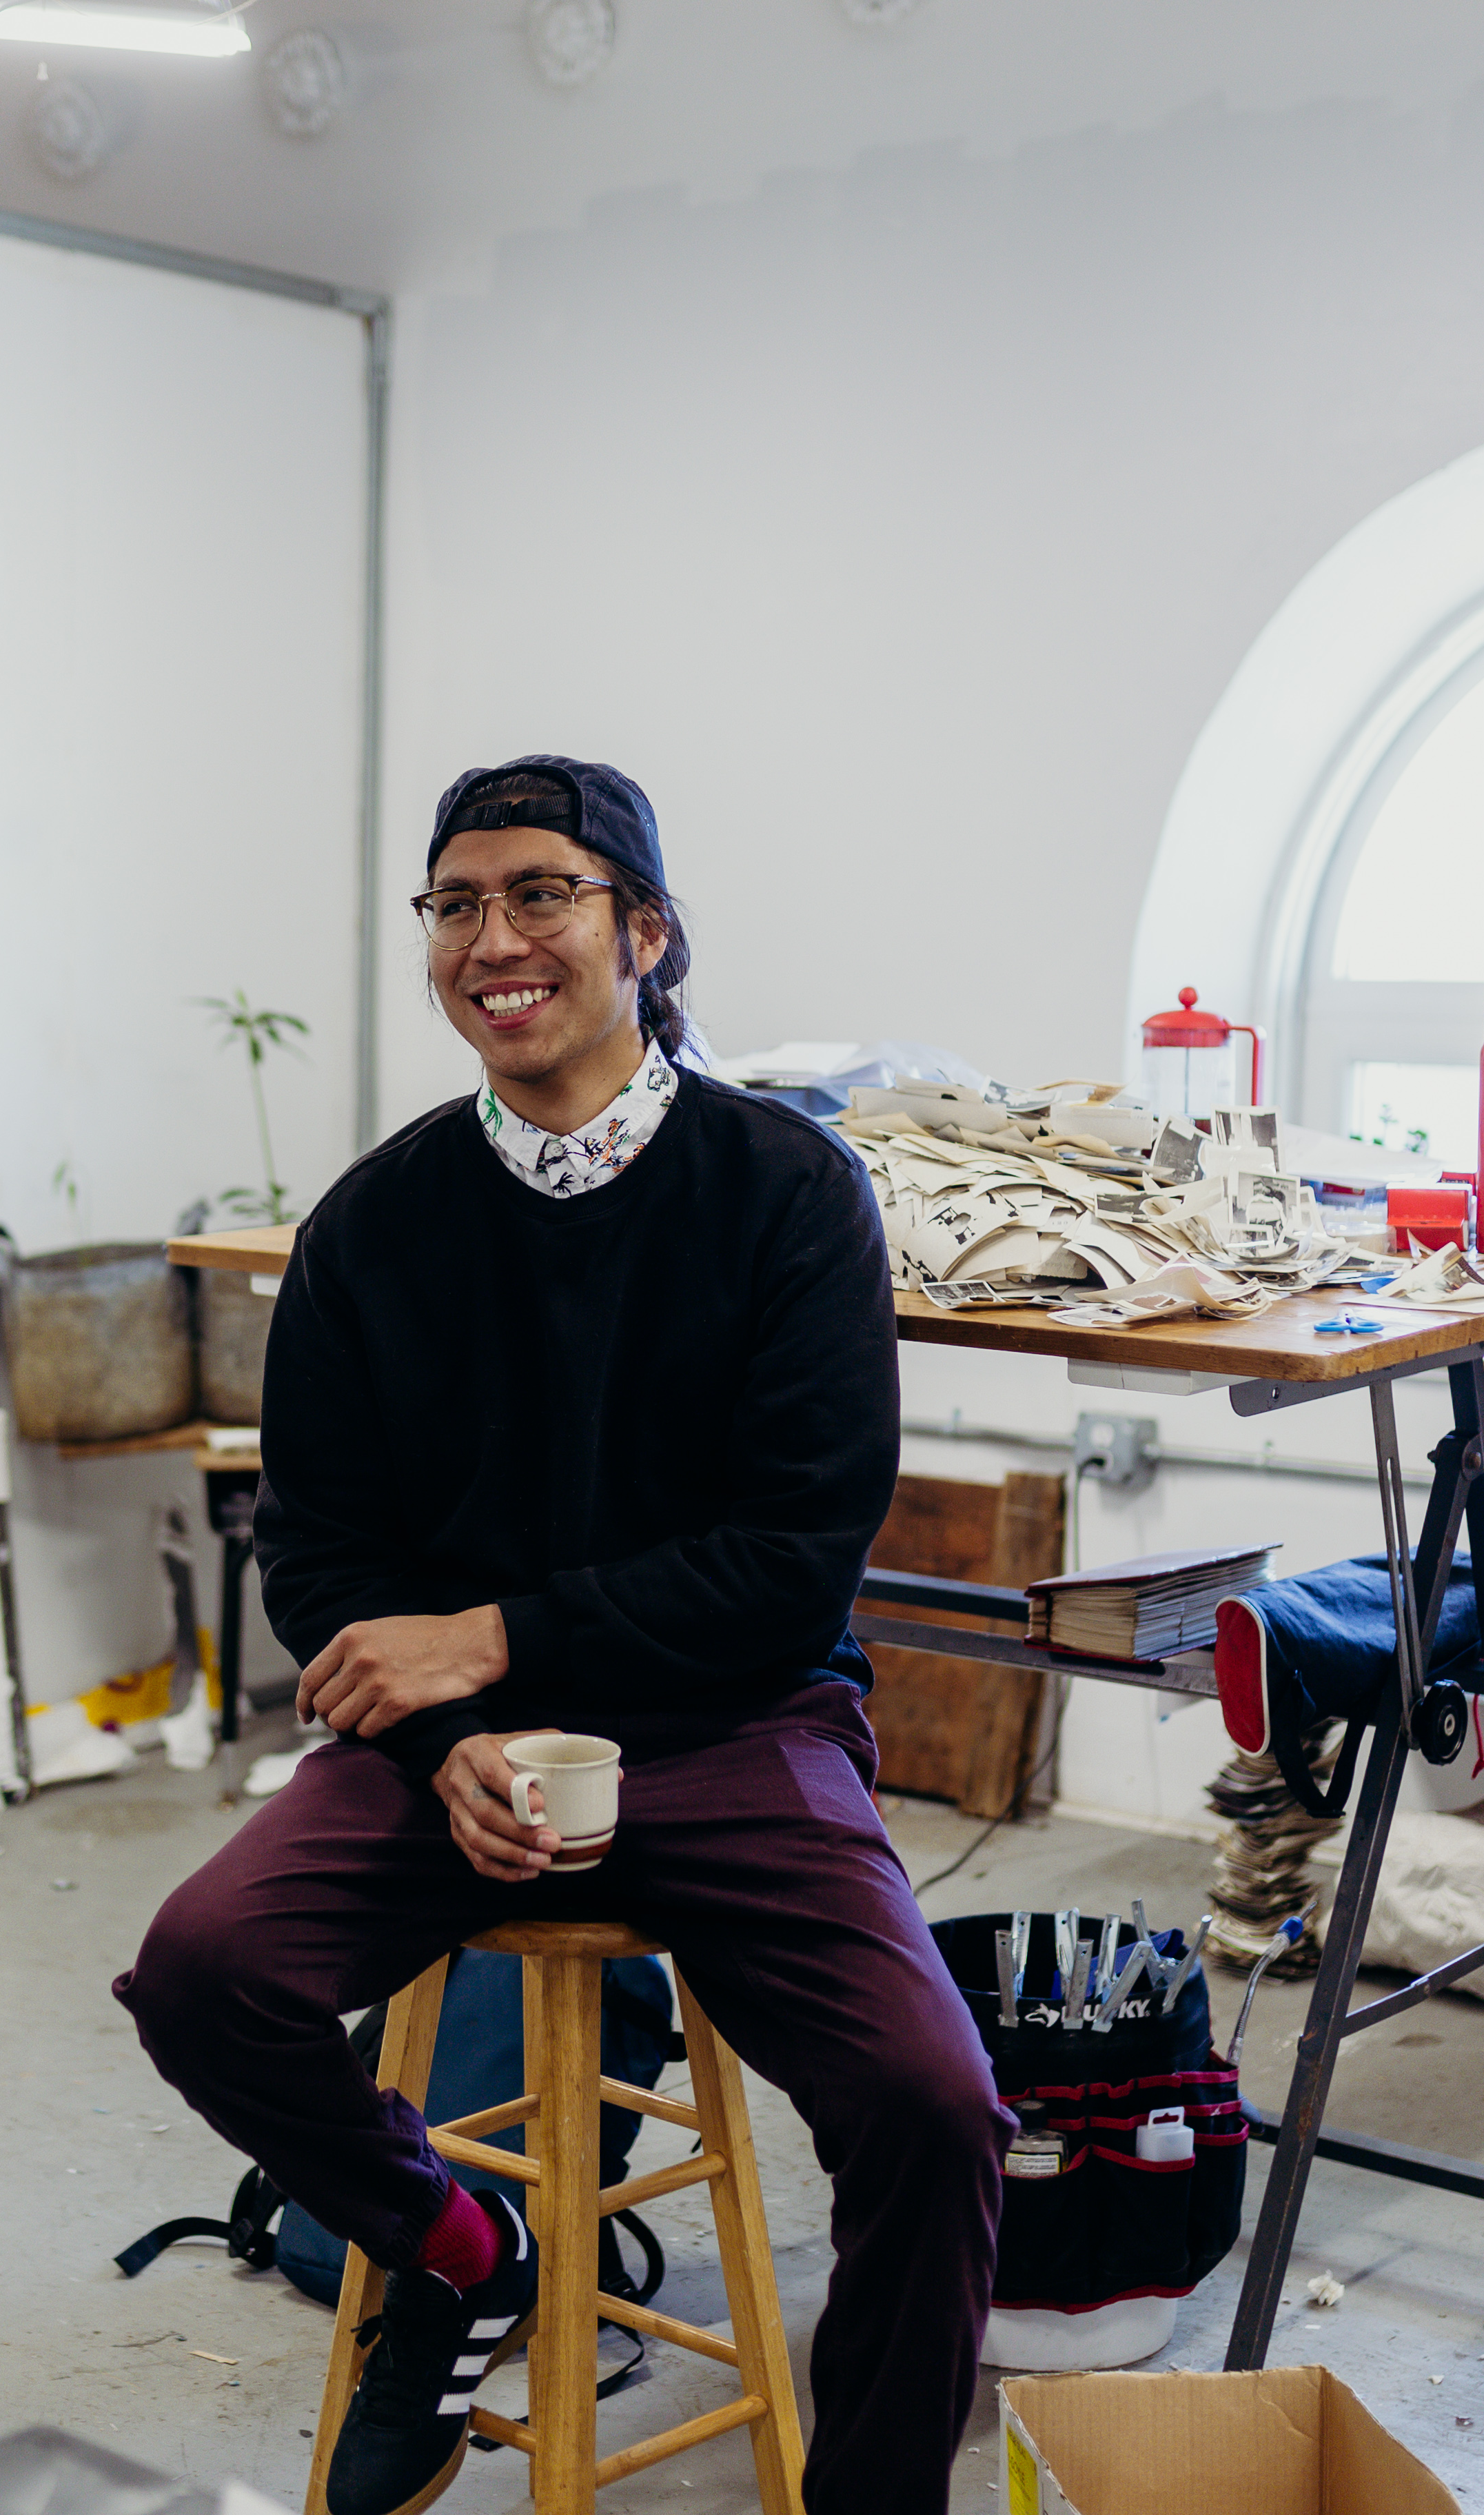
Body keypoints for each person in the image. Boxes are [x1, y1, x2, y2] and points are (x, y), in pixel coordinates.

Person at [115, 756, 1010, 2515]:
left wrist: (492, 1637)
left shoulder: (786, 1190)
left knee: (933, 2103)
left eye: (542, 894)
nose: (493, 939)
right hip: (451, 1760)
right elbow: (319, 1547)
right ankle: (462, 2254)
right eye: (455, 905)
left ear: (647, 934)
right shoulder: (378, 1224)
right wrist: (439, 1731)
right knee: (206, 1975)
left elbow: (793, 1550)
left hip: (737, 1728)